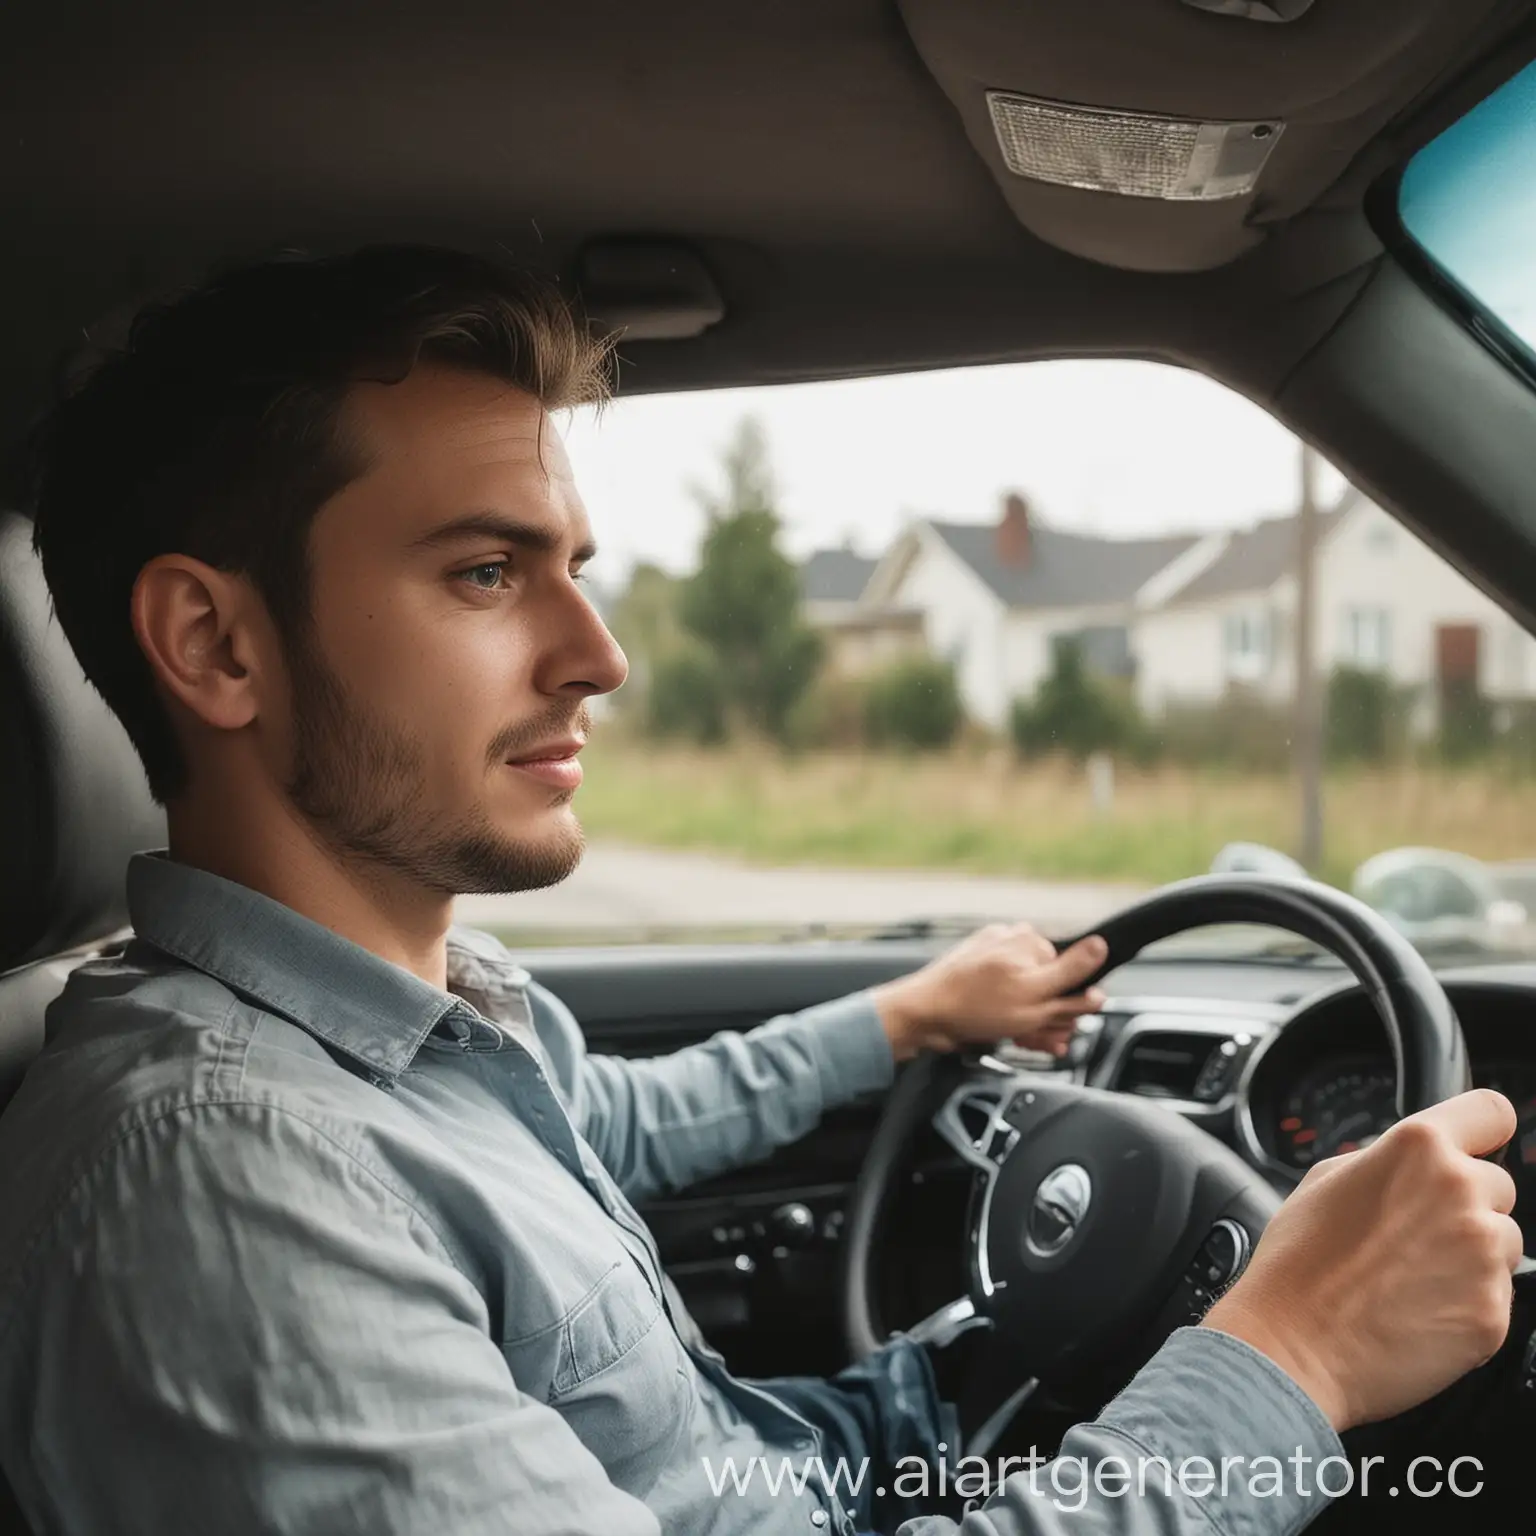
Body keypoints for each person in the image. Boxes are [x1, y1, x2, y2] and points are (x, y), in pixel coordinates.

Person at [0, 246, 1520, 1536]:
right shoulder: (219, 1178)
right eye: (484, 572)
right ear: (215, 647)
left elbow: (639, 1129)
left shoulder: (417, 1018)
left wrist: (916, 1048)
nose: (599, 655)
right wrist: (1289, 1356)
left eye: (575, 567)